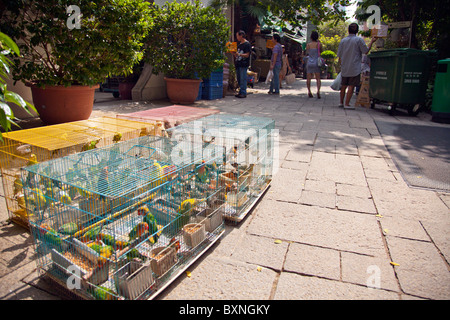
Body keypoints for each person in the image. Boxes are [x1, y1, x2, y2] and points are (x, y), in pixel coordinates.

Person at [337, 23, 377, 109]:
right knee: (351, 85)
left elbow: (339, 56)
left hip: (345, 67)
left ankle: (341, 102)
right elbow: (365, 51)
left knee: (343, 85)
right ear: (357, 31)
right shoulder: (359, 40)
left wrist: (342, 64)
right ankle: (347, 104)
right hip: (354, 67)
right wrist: (372, 42)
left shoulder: (343, 41)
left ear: (348, 30)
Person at [233, 30, 251, 98]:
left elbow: (247, 55)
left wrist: (239, 54)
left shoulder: (247, 44)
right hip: (238, 63)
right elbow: (237, 55)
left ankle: (243, 92)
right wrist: (235, 54)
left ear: (241, 36)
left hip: (244, 64)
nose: (237, 37)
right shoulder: (239, 44)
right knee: (239, 78)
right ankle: (240, 91)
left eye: (237, 36)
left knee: (243, 78)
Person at [305, 31, 322, 99]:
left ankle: (309, 91)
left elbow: (307, 52)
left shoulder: (308, 45)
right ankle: (318, 91)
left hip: (309, 62)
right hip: (316, 62)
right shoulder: (319, 44)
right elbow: (321, 52)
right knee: (318, 78)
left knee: (308, 78)